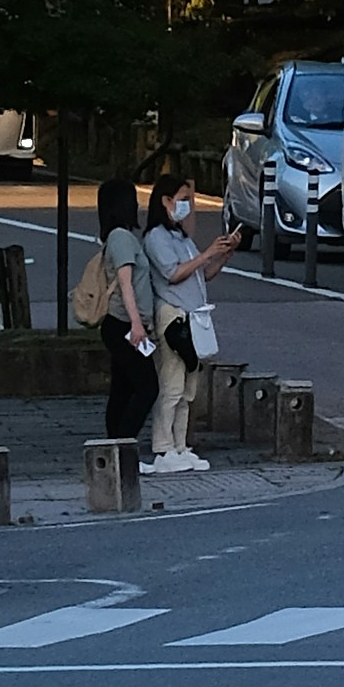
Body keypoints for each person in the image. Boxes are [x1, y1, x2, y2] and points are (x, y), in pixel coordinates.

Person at [141, 164, 234, 468]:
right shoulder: (157, 237)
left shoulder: (180, 237)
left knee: (188, 386)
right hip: (172, 315)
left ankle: (181, 446)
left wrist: (223, 254)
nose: (186, 205)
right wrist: (207, 253)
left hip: (193, 315)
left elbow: (201, 274)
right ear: (165, 201)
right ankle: (164, 445)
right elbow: (174, 274)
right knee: (172, 383)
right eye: (182, 199)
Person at [89, 173, 161, 453]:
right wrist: (137, 324)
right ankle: (123, 445)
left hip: (122, 324)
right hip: (124, 324)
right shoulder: (121, 238)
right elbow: (125, 282)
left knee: (122, 388)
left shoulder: (121, 236)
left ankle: (114, 445)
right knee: (147, 388)